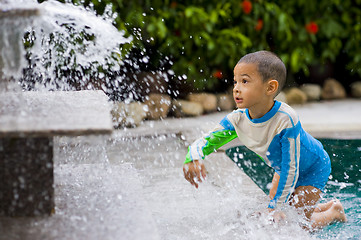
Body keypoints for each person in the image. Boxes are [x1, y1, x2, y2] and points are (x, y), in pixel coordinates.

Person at [182, 50, 347, 230]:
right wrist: (193, 157)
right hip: (282, 168)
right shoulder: (237, 120)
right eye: (235, 81)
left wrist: (274, 207)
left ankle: (334, 212)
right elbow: (205, 142)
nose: (236, 88)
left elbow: (291, 167)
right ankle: (321, 206)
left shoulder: (286, 119)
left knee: (297, 226)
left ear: (270, 88)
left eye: (245, 81)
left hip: (313, 167)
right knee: (281, 216)